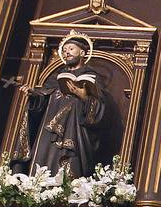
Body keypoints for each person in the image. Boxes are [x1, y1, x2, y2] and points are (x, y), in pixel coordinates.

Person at [12, 33, 106, 178]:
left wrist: (83, 96)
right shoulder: (55, 78)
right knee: (43, 161)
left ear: (82, 52)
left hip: (74, 132)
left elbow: (100, 111)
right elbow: (42, 103)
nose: (67, 52)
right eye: (65, 50)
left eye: (71, 49)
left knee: (69, 166)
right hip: (48, 133)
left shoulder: (92, 76)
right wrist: (34, 95)